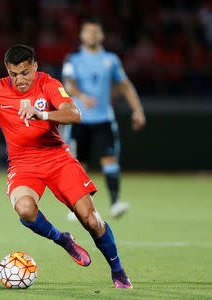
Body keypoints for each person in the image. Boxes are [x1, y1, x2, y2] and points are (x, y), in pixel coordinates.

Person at [0, 45, 133, 289]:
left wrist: (43, 115)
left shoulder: (48, 84)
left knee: (90, 220)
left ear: (35, 67)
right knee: (25, 209)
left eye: (25, 73)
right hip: (23, 165)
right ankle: (63, 240)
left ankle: (118, 271)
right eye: (13, 74)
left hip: (58, 158)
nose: (19, 79)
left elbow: (74, 113)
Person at [62, 18, 146, 218]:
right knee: (77, 164)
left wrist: (138, 110)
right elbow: (68, 85)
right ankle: (77, 207)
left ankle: (115, 202)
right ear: (81, 36)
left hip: (103, 120)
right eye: (87, 32)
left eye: (95, 32)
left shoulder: (111, 60)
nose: (91, 35)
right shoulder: (73, 60)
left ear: (101, 36)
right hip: (78, 120)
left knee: (110, 160)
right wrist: (82, 97)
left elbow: (125, 85)